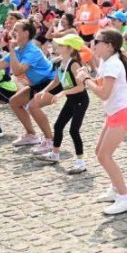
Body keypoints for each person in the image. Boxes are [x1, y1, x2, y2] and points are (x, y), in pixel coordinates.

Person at [79, 28, 127, 215]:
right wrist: (88, 73)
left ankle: (125, 197)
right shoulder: (107, 61)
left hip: (123, 111)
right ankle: (116, 189)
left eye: (97, 41)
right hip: (114, 111)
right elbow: (101, 84)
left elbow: (103, 92)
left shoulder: (113, 64)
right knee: (100, 152)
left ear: (109, 46)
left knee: (105, 156)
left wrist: (85, 79)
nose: (93, 44)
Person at [33, 34, 90, 173]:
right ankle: (55, 154)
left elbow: (81, 87)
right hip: (71, 99)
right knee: (58, 126)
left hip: (80, 100)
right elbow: (57, 81)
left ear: (70, 49)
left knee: (74, 130)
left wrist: (62, 93)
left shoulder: (74, 64)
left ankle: (81, 162)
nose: (57, 46)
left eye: (61, 45)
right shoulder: (59, 62)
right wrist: (44, 91)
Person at [0, 21, 57, 152]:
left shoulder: (32, 50)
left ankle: (50, 141)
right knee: (14, 102)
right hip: (37, 84)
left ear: (26, 33)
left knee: (33, 106)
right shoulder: (18, 50)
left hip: (51, 81)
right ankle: (31, 135)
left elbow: (18, 71)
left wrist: (11, 50)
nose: (12, 32)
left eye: (16, 29)